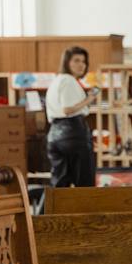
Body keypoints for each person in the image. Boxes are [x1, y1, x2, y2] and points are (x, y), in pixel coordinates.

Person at [46, 46, 98, 187]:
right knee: (84, 183)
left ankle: (49, 210)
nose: (81, 65)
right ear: (67, 62)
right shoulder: (68, 80)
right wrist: (89, 99)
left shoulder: (56, 80)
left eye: (83, 61)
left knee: (59, 184)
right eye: (76, 60)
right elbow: (67, 109)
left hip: (54, 134)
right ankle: (85, 210)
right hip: (73, 133)